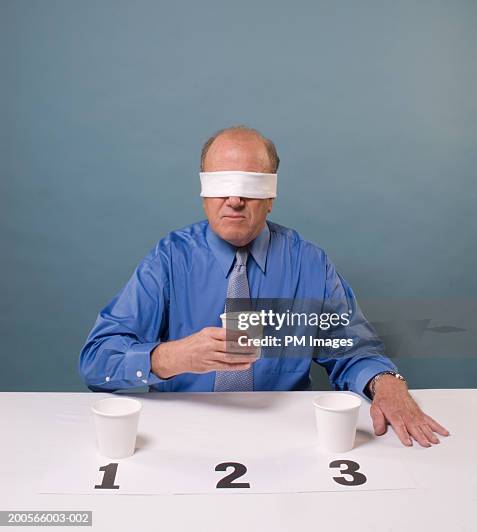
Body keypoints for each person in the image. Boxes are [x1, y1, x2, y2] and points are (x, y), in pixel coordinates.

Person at [79, 125, 449, 448]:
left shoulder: (309, 263)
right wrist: (169, 358)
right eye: (222, 184)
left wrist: (387, 382)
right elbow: (97, 362)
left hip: (287, 434)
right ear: (204, 193)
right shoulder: (168, 260)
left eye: (250, 186)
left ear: (271, 196)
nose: (235, 199)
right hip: (179, 432)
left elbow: (350, 350)